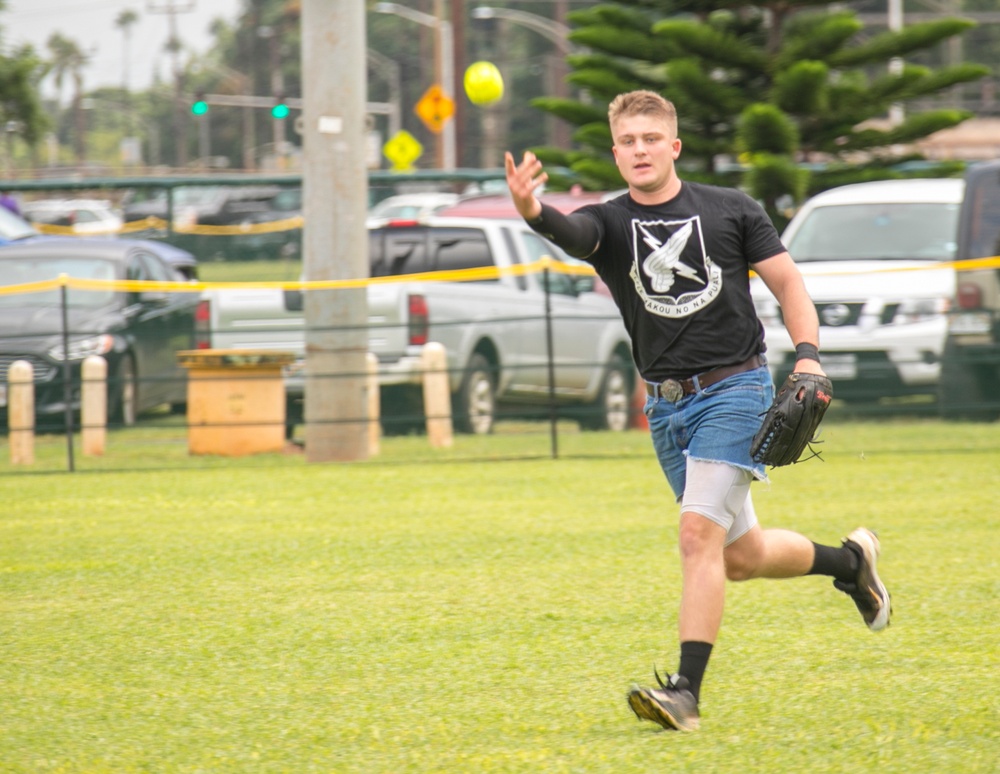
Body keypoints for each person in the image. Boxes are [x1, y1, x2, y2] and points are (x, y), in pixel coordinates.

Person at [505, 90, 891, 733]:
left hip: (735, 390)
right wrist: (531, 208)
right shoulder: (609, 223)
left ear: (673, 146)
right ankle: (850, 564)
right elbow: (569, 231)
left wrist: (808, 356)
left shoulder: (731, 210)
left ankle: (685, 692)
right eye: (627, 142)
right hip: (665, 408)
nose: (639, 151)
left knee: (695, 538)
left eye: (650, 139)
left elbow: (789, 284)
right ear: (615, 152)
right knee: (738, 557)